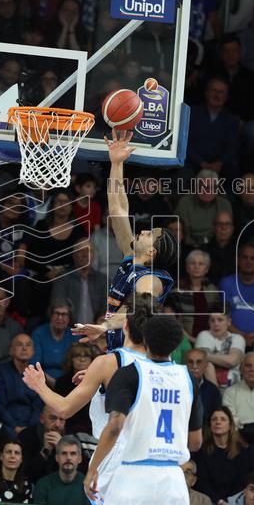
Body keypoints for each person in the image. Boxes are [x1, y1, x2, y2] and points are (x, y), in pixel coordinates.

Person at [23, 295, 159, 505]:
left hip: (117, 455)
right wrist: (98, 379)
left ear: (127, 327)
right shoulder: (161, 364)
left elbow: (63, 408)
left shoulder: (109, 362)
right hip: (150, 458)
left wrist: (39, 386)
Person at [86, 315, 202, 505]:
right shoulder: (189, 380)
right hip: (172, 478)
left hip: (134, 473)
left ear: (145, 339)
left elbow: (115, 427)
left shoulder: (129, 374)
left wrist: (93, 469)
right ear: (177, 345)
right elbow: (195, 443)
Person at [75, 131, 176, 351]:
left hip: (137, 355)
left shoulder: (151, 280)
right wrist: (116, 163)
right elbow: (118, 209)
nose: (144, 232)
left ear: (152, 253)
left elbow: (137, 310)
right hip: (118, 349)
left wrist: (104, 326)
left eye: (151, 234)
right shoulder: (131, 259)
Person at [194, 407, 252, 505]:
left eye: (223, 419)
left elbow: (242, 481)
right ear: (210, 425)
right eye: (214, 419)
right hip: (211, 500)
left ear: (230, 425)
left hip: (235, 499)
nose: (218, 422)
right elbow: (202, 483)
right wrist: (220, 502)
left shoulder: (242, 452)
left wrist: (230, 502)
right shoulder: (201, 451)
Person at [0, 334, 43, 433]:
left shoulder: (38, 374)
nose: (24, 348)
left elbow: (38, 407)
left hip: (31, 426)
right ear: (11, 350)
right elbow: (0, 404)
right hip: (6, 425)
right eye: (19, 344)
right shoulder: (0, 371)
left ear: (33, 351)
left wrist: (28, 429)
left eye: (28, 345)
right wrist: (14, 427)